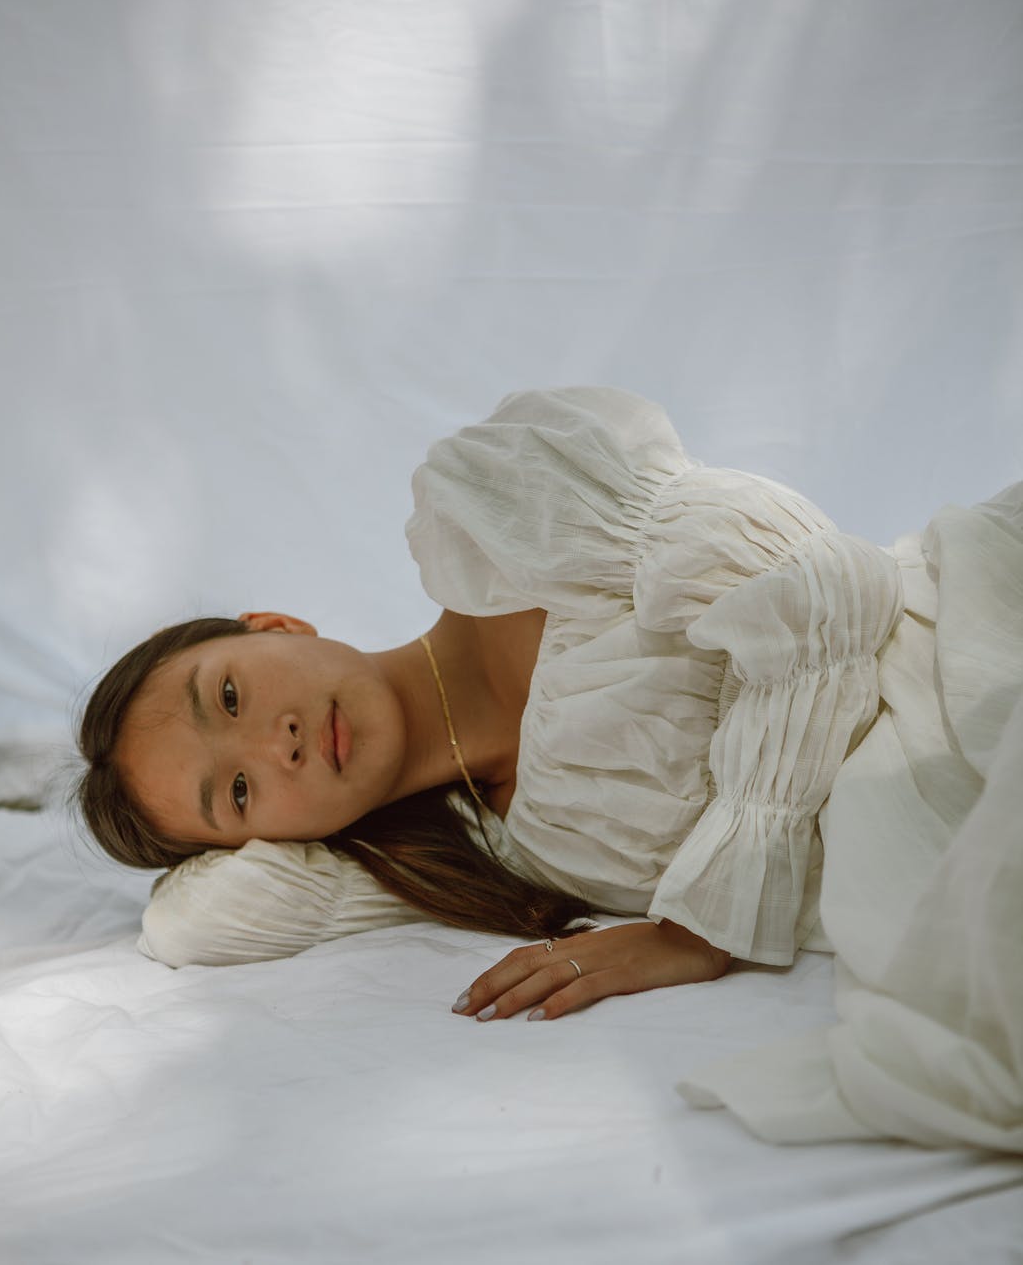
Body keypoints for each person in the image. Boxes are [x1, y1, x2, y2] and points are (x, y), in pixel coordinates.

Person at [78, 387, 1023, 1149]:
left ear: (274, 626)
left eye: (230, 696)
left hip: (963, 654)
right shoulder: (489, 854)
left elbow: (826, 586)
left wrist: (705, 925)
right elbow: (195, 925)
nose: (272, 745)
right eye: (237, 793)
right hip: (926, 845)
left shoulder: (499, 519)